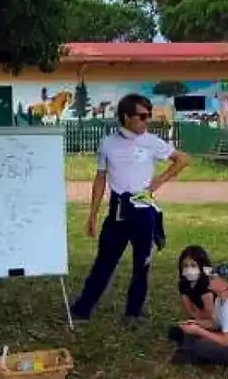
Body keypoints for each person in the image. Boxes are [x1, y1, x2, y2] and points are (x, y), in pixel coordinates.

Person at [70, 94, 191, 325]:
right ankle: (82, 309)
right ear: (126, 117)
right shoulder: (108, 143)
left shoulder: (152, 142)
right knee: (104, 262)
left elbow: (183, 159)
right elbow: (100, 178)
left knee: (141, 264)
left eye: (149, 116)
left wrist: (160, 179)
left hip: (143, 210)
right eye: (142, 116)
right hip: (118, 210)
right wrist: (92, 215)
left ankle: (133, 313)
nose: (147, 121)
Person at [171, 263, 228, 368]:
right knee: (189, 329)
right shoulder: (219, 300)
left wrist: (198, 331)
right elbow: (215, 324)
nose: (209, 279)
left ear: (225, 286)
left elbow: (227, 341)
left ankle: (190, 353)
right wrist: (195, 323)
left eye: (214, 277)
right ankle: (188, 351)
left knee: (202, 346)